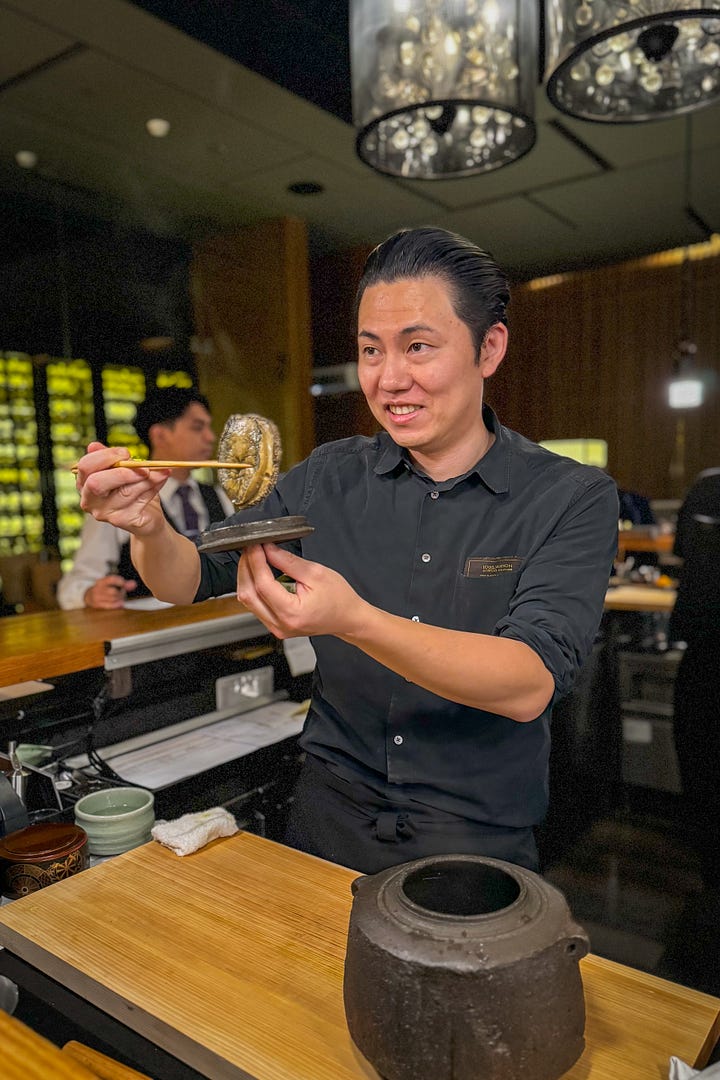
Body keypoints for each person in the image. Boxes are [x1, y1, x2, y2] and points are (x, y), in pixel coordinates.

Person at [73, 227, 618, 874]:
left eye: (418, 347)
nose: (389, 379)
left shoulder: (569, 495)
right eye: (370, 350)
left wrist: (352, 619)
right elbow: (188, 576)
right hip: (328, 814)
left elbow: (529, 681)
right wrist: (147, 527)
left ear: (488, 348)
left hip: (474, 834)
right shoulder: (327, 477)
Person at [58, 387, 233, 610]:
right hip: (154, 632)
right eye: (197, 428)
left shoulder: (217, 496)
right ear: (160, 435)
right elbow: (75, 584)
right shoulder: (119, 500)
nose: (211, 437)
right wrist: (90, 594)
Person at [668, 468, 720, 890]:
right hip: (705, 650)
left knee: (700, 762)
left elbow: (682, 552)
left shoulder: (705, 486)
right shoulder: (705, 486)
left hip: (703, 650)